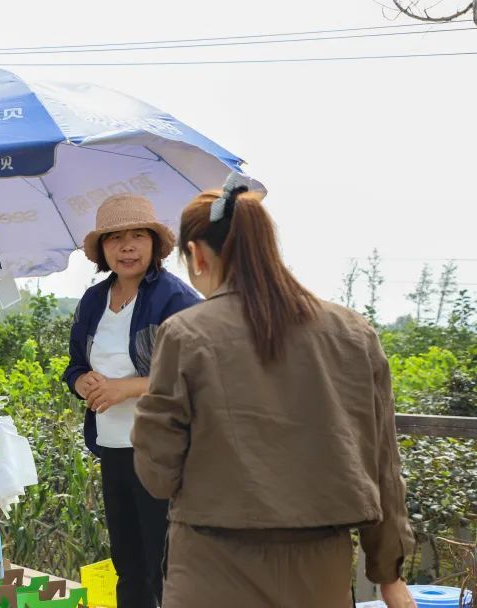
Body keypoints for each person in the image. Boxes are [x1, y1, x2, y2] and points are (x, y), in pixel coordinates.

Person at [131, 176, 417, 608]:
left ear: (197, 255)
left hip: (213, 565)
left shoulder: (186, 334)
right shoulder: (354, 334)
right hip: (322, 569)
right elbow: (382, 465)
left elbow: (157, 473)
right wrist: (388, 574)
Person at [63, 193, 201, 608]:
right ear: (102, 250)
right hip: (113, 446)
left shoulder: (175, 298)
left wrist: (129, 387)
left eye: (138, 235)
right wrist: (81, 382)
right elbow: (72, 366)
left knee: (167, 563)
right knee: (128, 561)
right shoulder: (93, 301)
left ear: (155, 244)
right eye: (115, 238)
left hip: (161, 449)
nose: (127, 246)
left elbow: (199, 371)